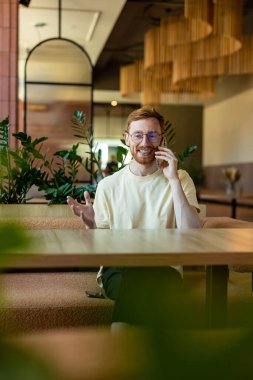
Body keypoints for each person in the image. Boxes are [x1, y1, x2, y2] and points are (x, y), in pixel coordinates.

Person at [67, 105, 201, 329]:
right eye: (138, 135)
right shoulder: (109, 186)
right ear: (127, 139)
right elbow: (101, 248)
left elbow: (194, 235)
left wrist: (173, 181)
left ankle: (122, 348)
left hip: (165, 269)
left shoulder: (180, 178)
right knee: (141, 278)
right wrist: (94, 228)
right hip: (118, 269)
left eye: (152, 135)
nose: (145, 142)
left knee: (146, 279)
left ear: (162, 139)